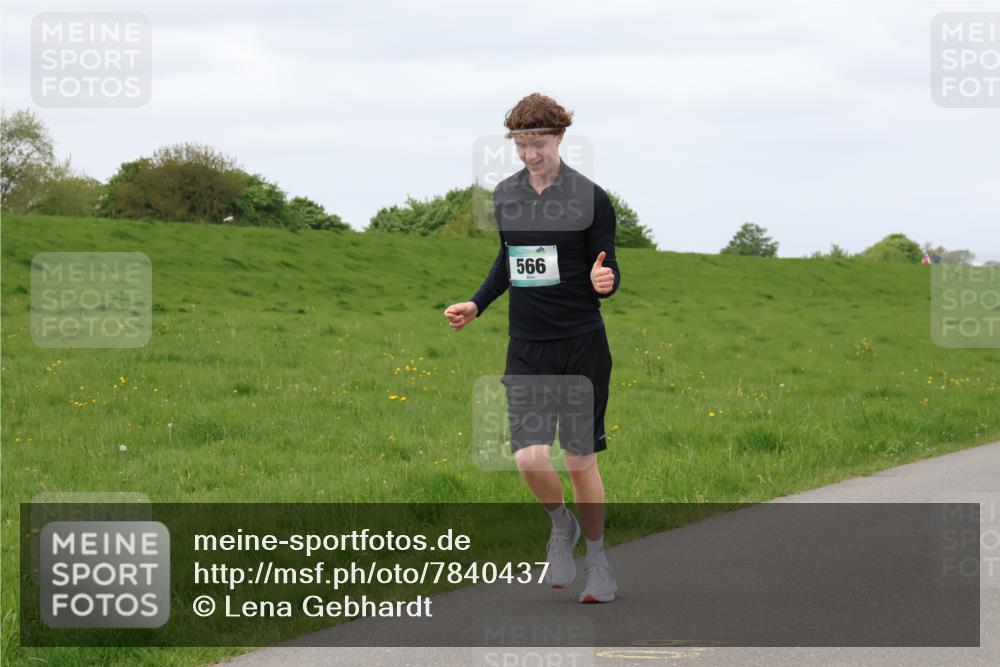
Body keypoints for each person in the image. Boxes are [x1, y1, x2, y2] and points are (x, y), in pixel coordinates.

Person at [444, 93, 621, 603]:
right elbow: (508, 260)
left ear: (559, 137)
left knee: (581, 461)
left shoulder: (591, 198)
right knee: (528, 458)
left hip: (581, 344)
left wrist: (603, 281)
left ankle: (600, 563)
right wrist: (478, 305)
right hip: (526, 346)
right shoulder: (507, 196)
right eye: (521, 145)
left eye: (537, 143)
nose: (529, 154)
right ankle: (559, 525)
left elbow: (610, 271)